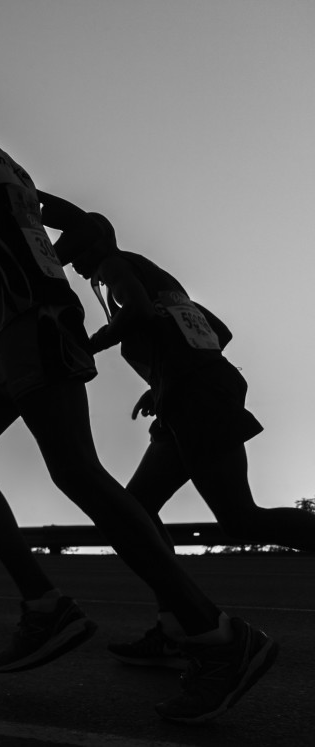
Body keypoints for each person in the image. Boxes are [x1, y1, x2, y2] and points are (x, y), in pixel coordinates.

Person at [0, 95, 276, 723]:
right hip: (24, 330)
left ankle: (215, 636)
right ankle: (46, 606)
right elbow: (86, 223)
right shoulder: (12, 169)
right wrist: (50, 263)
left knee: (74, 474)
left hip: (29, 327)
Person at [43, 199, 315, 667]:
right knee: (137, 510)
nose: (79, 266)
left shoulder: (116, 265)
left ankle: (187, 629)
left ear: (95, 249)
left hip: (198, 396)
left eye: (79, 257)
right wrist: (166, 379)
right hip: (188, 394)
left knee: (239, 519)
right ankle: (176, 628)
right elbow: (219, 331)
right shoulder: (156, 279)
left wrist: (86, 349)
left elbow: (140, 313)